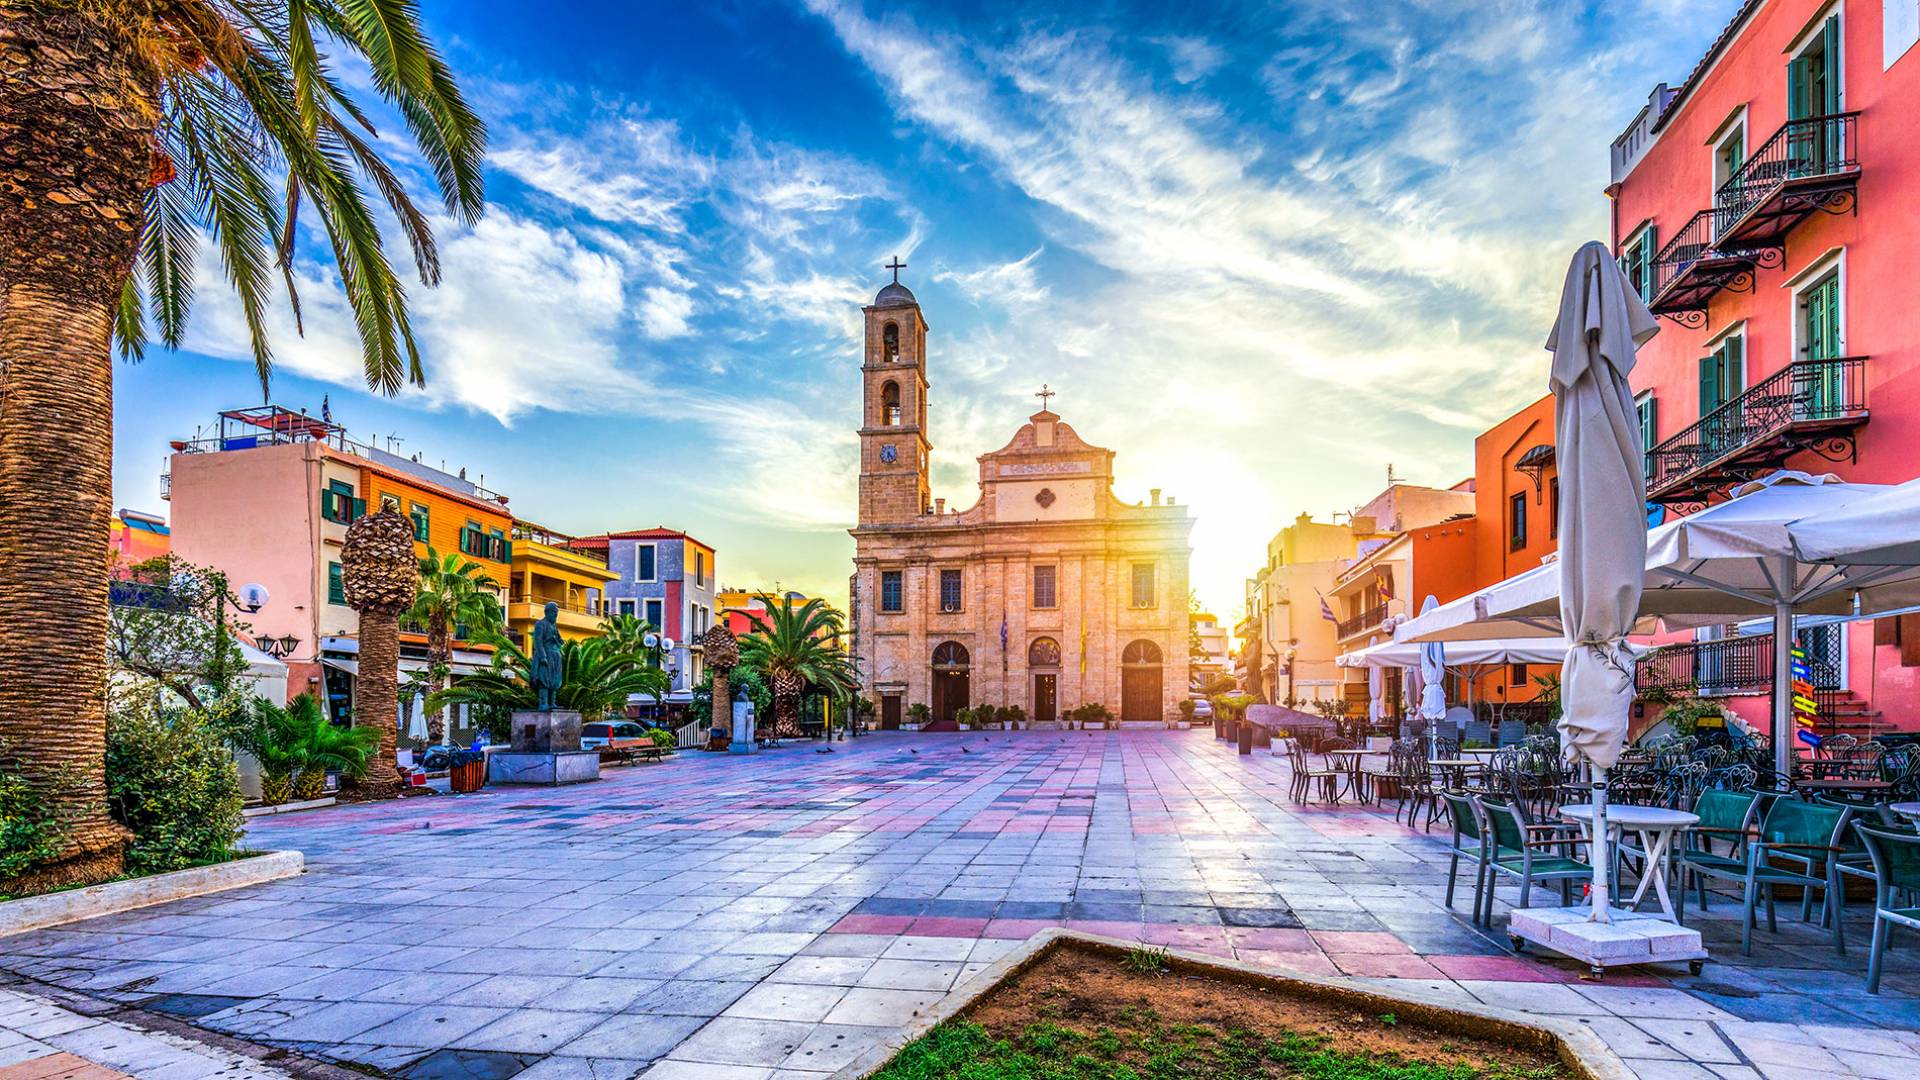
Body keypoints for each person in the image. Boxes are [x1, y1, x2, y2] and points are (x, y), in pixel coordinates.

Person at [531, 601, 564, 710]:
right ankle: (543, 703)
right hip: (546, 654)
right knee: (544, 679)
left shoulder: (554, 625)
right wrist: (543, 656)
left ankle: (552, 703)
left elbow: (558, 638)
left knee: (555, 679)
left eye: (557, 612)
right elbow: (538, 642)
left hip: (555, 655)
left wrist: (560, 641)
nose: (556, 614)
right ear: (547, 612)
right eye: (554, 612)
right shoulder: (540, 624)